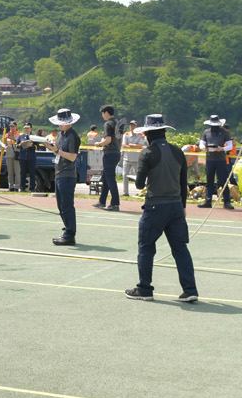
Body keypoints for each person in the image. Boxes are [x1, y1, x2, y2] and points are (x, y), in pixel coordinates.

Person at [124, 114, 198, 303]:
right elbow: (183, 184)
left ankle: (145, 288)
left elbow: (139, 184)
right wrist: (182, 207)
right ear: (164, 131)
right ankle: (190, 289)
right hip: (176, 206)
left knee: (146, 247)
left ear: (147, 134)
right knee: (180, 248)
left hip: (155, 206)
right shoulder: (178, 152)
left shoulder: (147, 153)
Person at [48, 108, 83, 245]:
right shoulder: (61, 135)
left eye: (63, 123)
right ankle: (68, 229)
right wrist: (53, 149)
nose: (60, 125)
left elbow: (73, 157)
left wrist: (57, 150)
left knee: (67, 205)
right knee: (61, 205)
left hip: (67, 174)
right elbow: (58, 152)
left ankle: (69, 234)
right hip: (59, 172)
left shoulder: (73, 136)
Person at [198, 115, 234, 209]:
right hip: (210, 159)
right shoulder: (206, 132)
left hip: (221, 160)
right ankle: (208, 201)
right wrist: (204, 147)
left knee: (223, 181)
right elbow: (201, 144)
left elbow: (230, 146)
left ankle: (227, 202)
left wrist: (222, 148)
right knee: (209, 181)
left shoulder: (224, 132)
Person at [95, 106, 121, 210]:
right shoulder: (117, 123)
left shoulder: (108, 124)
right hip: (116, 152)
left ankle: (115, 204)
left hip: (109, 153)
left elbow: (108, 140)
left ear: (106, 113)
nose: (102, 115)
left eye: (102, 113)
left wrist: (99, 144)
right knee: (106, 177)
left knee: (110, 179)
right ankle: (102, 201)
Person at [15, 124, 38, 192]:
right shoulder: (21, 136)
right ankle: (22, 187)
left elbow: (37, 147)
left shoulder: (34, 137)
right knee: (23, 173)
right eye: (25, 128)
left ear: (31, 129)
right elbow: (16, 146)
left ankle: (32, 188)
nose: (26, 129)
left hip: (31, 157)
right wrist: (20, 144)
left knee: (32, 173)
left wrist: (31, 145)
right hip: (22, 157)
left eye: (28, 128)